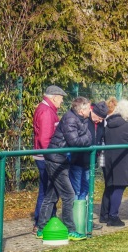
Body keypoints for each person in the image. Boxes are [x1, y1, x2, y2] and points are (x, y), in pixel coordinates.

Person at [36, 97, 92, 241]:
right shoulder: (71, 119)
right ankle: (70, 230)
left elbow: (86, 136)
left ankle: (41, 228)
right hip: (56, 159)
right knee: (68, 194)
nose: (90, 110)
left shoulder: (79, 119)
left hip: (60, 159)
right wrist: (87, 138)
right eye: (88, 108)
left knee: (51, 195)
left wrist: (86, 137)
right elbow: (76, 141)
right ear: (81, 110)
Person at [32, 85, 66, 234]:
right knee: (47, 191)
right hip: (46, 157)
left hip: (44, 156)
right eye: (61, 98)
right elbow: (45, 139)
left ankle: (47, 219)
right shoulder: (46, 112)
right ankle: (41, 222)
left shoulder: (46, 109)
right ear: (54, 97)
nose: (62, 101)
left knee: (47, 190)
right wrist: (52, 158)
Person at [69, 102, 108, 201]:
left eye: (102, 119)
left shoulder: (101, 122)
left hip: (90, 160)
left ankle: (82, 213)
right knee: (76, 189)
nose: (99, 121)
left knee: (86, 188)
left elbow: (100, 137)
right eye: (99, 118)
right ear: (93, 112)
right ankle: (74, 214)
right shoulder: (83, 118)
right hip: (78, 159)